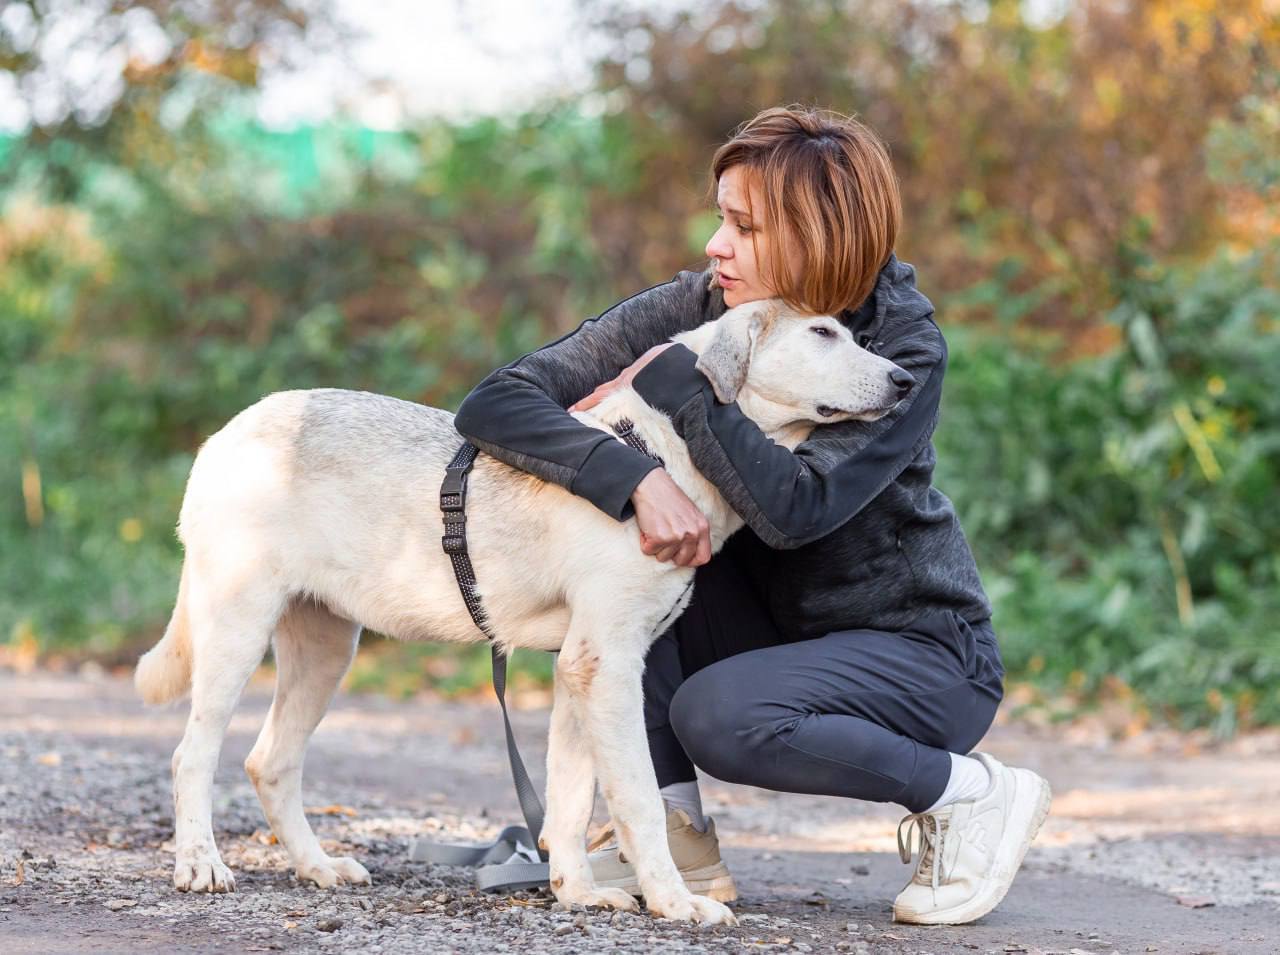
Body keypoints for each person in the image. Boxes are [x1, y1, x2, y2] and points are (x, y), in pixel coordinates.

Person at [452, 105, 1051, 925]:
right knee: (625, 589)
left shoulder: (897, 353)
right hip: (768, 625)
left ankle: (972, 791)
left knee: (722, 718)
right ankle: (671, 832)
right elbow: (497, 401)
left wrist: (679, 388)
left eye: (744, 225)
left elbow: (797, 509)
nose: (714, 245)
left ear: (817, 233)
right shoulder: (703, 307)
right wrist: (628, 475)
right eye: (720, 219)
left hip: (916, 652)